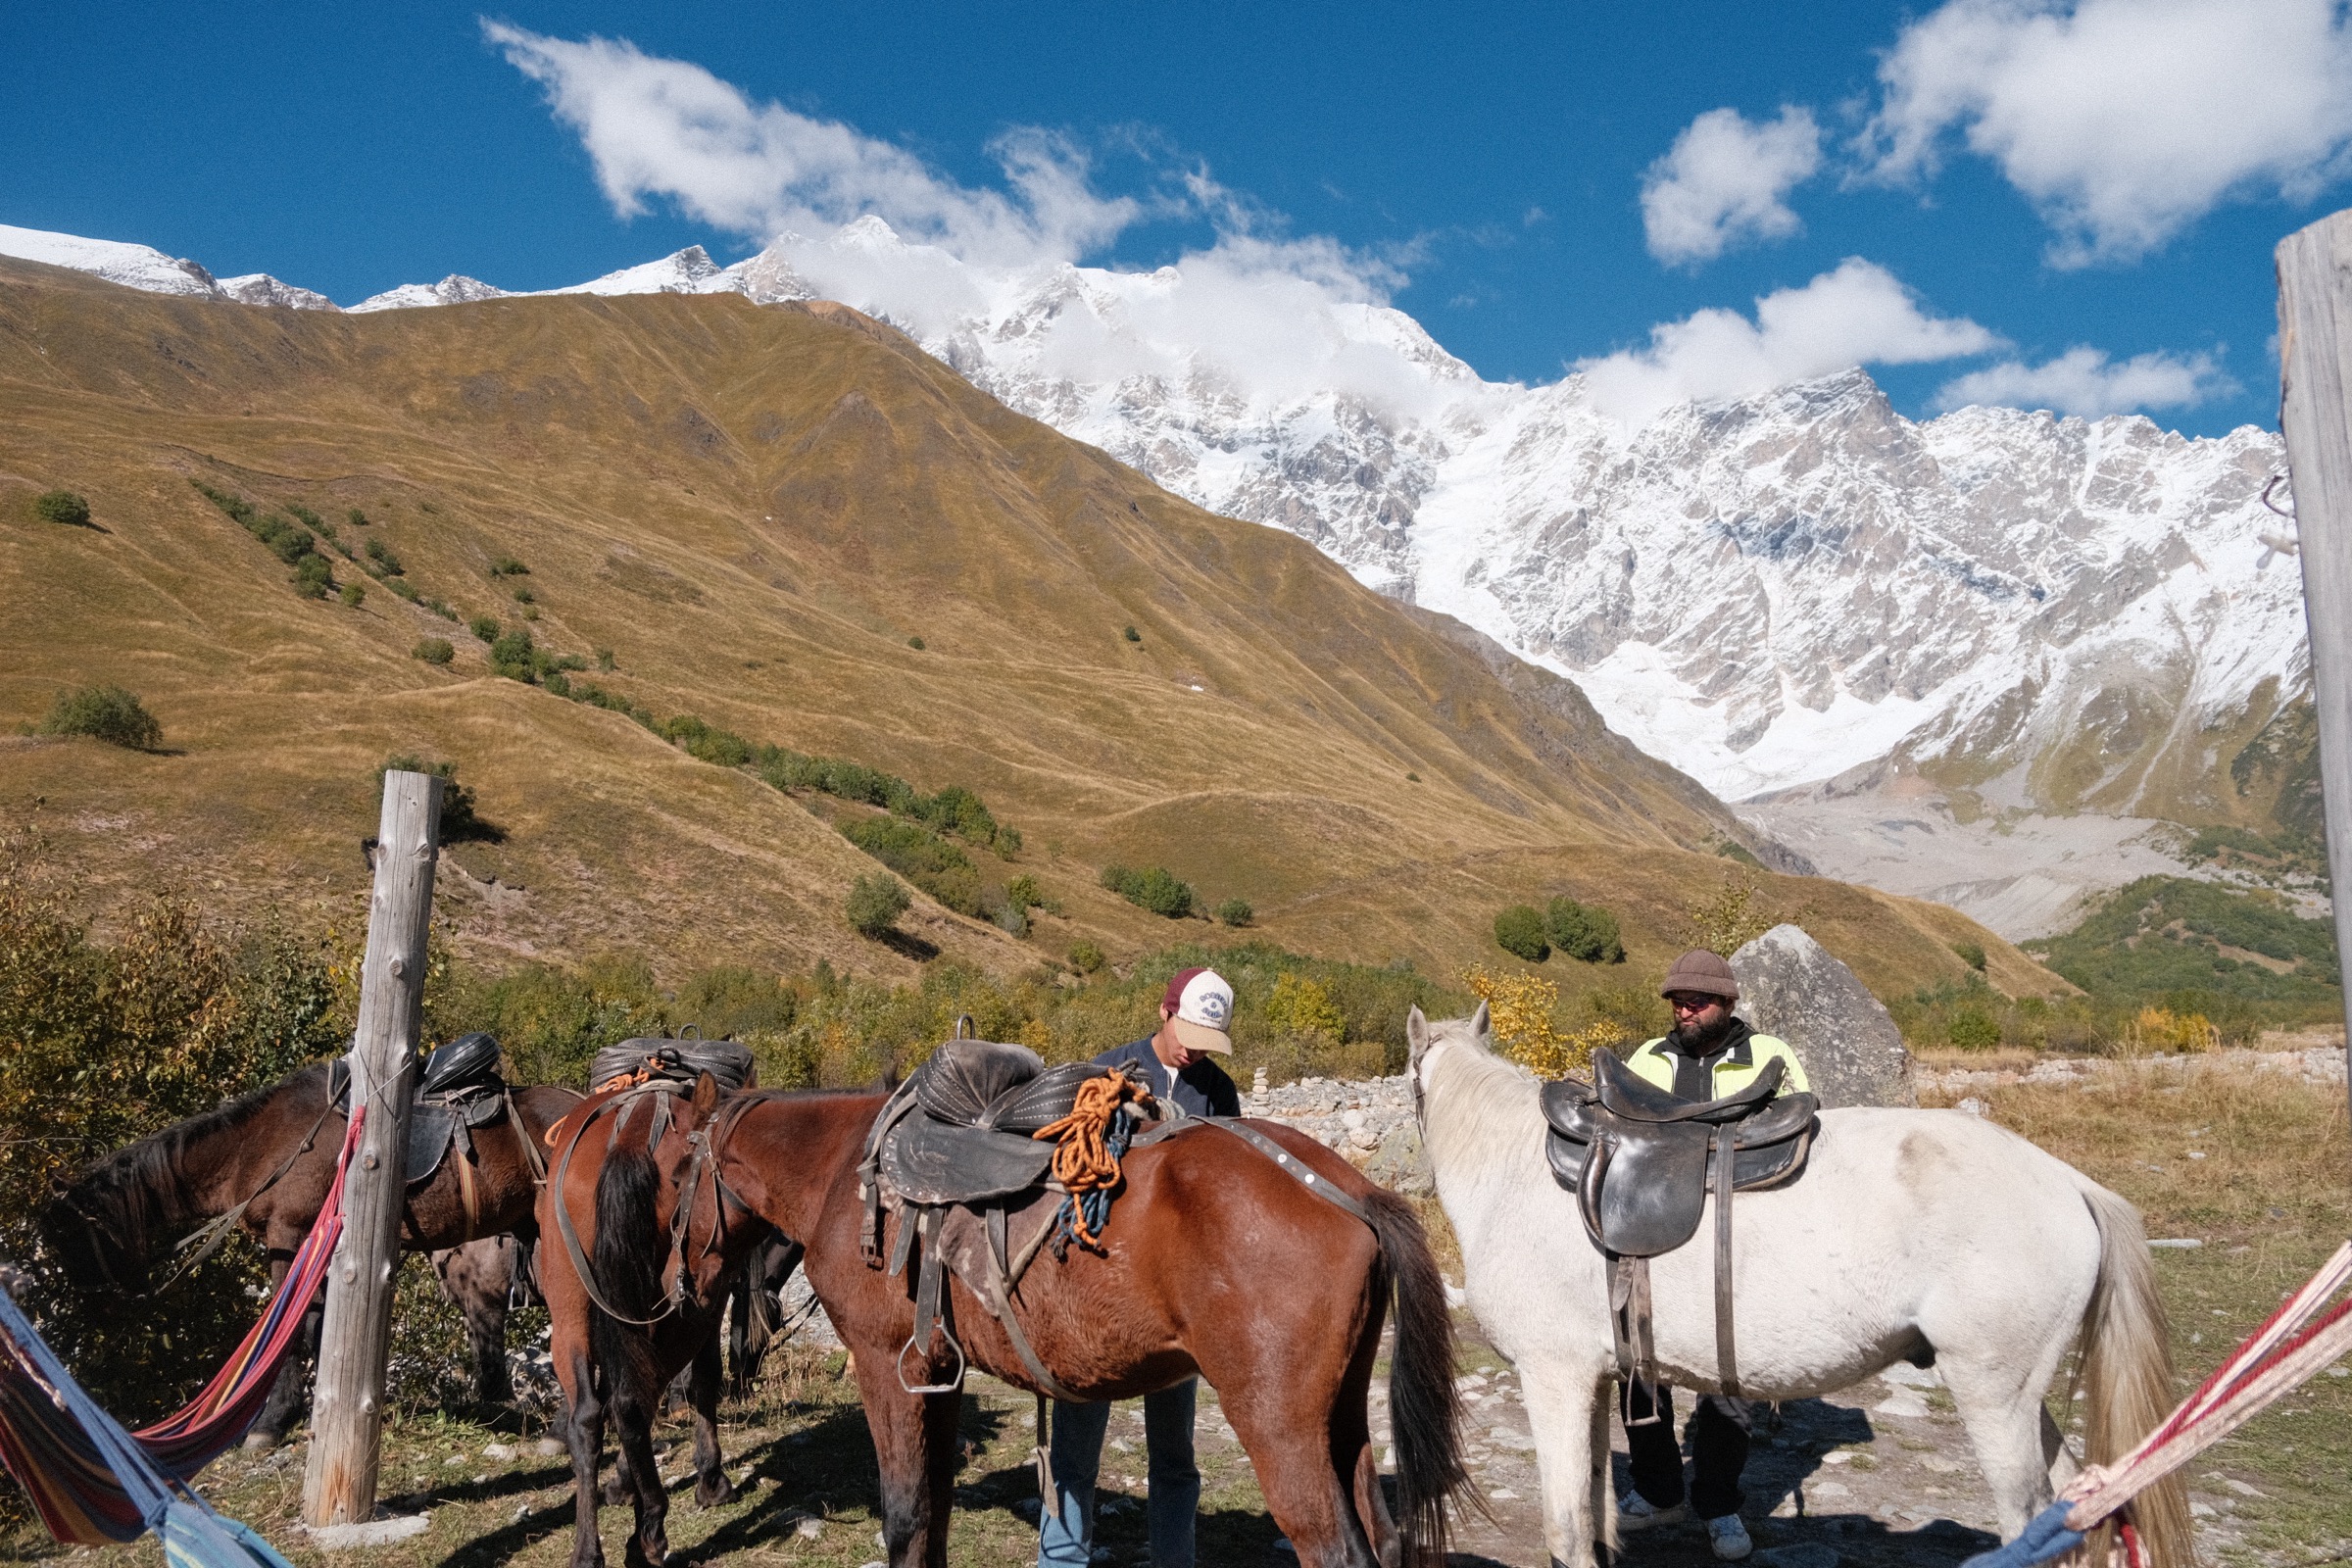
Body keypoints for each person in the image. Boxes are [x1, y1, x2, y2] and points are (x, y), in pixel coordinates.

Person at [1038, 966, 1241, 1568]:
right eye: (1189, 1031)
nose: (1194, 1048)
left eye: (1208, 1039)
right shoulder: (1109, 1072)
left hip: (1178, 1298)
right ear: (1164, 1011)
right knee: (1076, 1449)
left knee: (1175, 1453)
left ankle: (1175, 1559)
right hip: (1100, 1291)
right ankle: (1063, 1560)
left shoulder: (1219, 1092)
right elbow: (1070, 1175)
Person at [1614, 949, 1810, 1563]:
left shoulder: (1771, 1056)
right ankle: (1656, 1489)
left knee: (1730, 1375)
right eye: (1678, 1000)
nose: (1686, 1009)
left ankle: (1719, 1503)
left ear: (1728, 1004)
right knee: (1639, 1367)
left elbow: (1803, 1128)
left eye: (1698, 1000)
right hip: (1657, 1233)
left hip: (1741, 1240)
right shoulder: (1649, 1058)